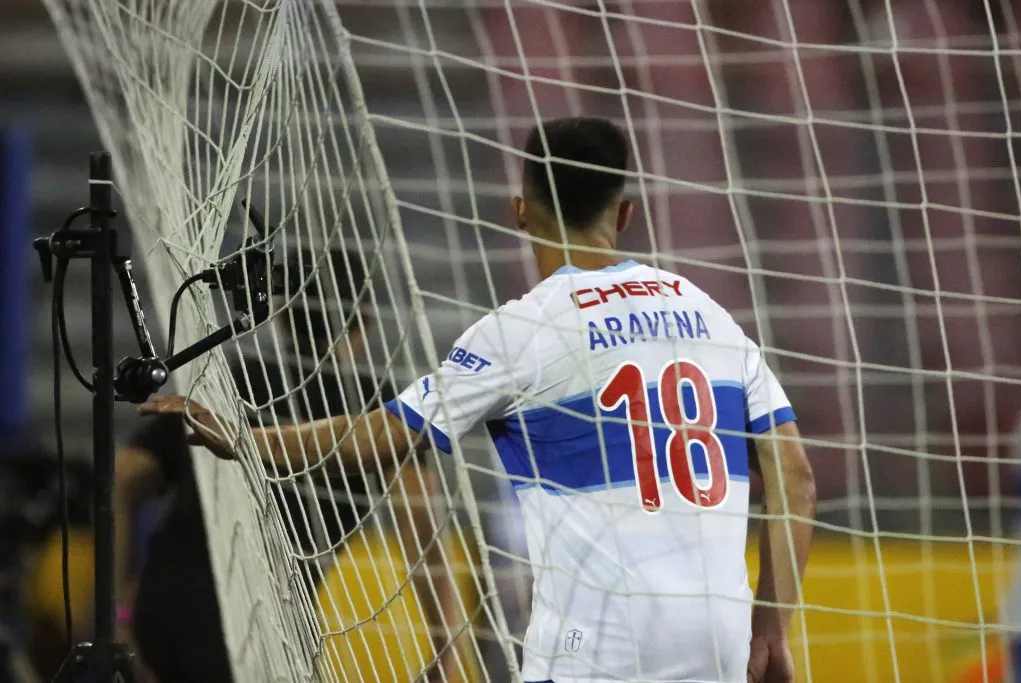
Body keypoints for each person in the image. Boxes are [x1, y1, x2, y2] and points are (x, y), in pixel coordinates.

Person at [142, 117, 817, 683]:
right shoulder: (712, 317)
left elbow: (390, 434)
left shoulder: (525, 328)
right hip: (720, 636)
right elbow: (795, 478)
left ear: (519, 211)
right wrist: (771, 627)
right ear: (625, 213)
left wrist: (245, 439)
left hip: (600, 643)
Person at [116, 248, 450, 682]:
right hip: (267, 622)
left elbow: (121, 479)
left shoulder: (231, 382)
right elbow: (421, 529)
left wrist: (119, 613)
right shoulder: (374, 407)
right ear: (366, 323)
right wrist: (445, 644)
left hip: (167, 603)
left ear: (282, 316)